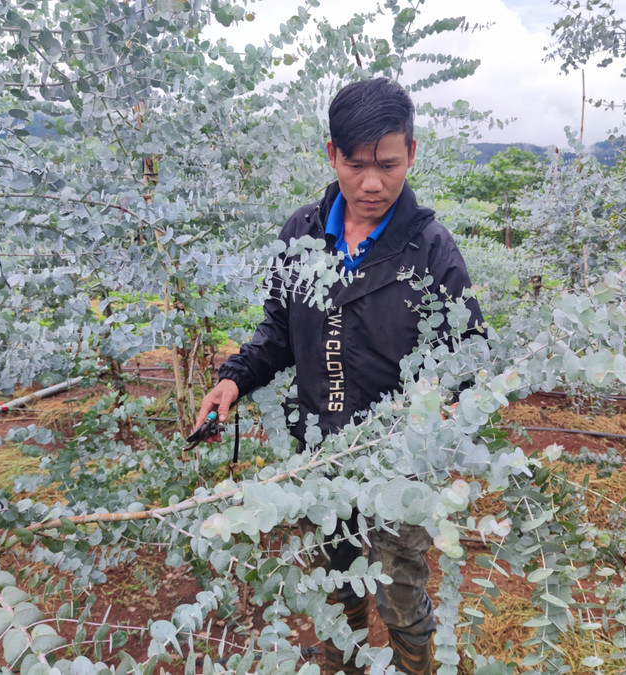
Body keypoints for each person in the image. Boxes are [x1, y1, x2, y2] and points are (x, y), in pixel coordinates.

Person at [195, 77, 483, 675]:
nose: (372, 183)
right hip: (319, 452)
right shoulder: (301, 234)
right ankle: (340, 664)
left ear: (411, 153)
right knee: (336, 586)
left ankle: (416, 666)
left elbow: (469, 356)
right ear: (332, 155)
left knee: (400, 594)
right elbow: (277, 331)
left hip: (396, 459)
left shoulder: (429, 249)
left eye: (388, 164)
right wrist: (234, 379)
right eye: (356, 165)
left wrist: (446, 410)